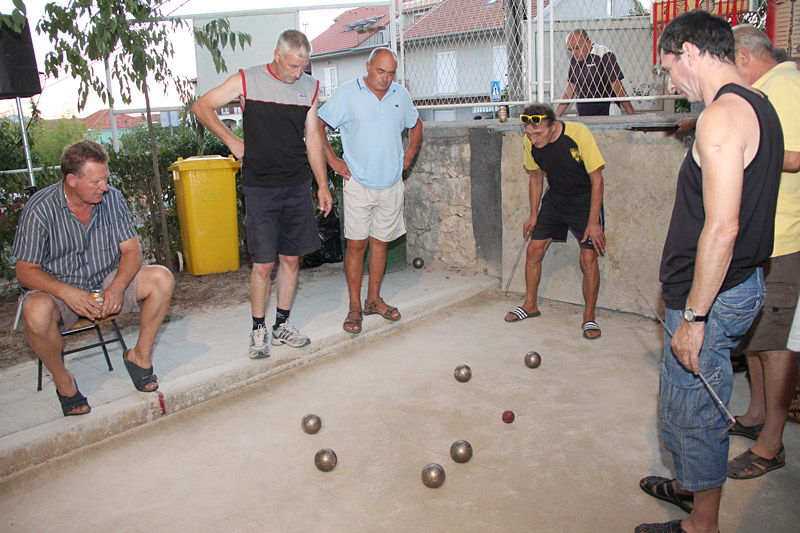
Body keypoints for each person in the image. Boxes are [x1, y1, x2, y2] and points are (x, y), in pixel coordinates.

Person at [636, 11, 783, 533]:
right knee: (681, 398)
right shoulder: (758, 104)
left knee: (696, 410)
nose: (670, 79)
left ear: (691, 51)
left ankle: (702, 523)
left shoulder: (721, 118)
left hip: (713, 299)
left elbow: (722, 229)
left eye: (669, 65)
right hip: (737, 285)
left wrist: (695, 316)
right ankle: (686, 487)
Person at [192, 29, 332, 359]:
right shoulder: (247, 80)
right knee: (263, 264)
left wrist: (322, 185)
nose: (297, 73)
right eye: (292, 66)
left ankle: (281, 325)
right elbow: (201, 106)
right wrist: (232, 141)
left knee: (291, 259)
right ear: (276, 55)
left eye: (303, 67)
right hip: (260, 187)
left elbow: (312, 138)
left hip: (296, 185)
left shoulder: (308, 88)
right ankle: (258, 330)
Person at [11, 140, 175, 416]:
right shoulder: (40, 208)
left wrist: (116, 287)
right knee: (35, 310)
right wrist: (68, 293)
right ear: (71, 179)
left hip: (105, 281)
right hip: (60, 290)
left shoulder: (112, 199)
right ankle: (65, 383)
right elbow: (25, 271)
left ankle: (140, 358)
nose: (105, 186)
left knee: (161, 277)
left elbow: (132, 251)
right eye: (96, 181)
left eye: (105, 178)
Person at [721, 24, 800, 480]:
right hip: (764, 237)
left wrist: (737, 148)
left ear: (745, 58)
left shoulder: (785, 86)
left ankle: (772, 444)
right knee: (755, 332)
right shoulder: (768, 89)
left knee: (774, 342)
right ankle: (754, 416)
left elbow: (793, 154)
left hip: (786, 239)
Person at [317, 48, 422, 335]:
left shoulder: (400, 95)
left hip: (391, 184)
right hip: (358, 184)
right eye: (380, 71)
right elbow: (318, 123)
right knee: (356, 245)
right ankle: (354, 305)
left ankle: (373, 300)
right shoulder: (347, 94)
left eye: (390, 73)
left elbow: (416, 124)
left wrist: (410, 151)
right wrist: (334, 161)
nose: (385, 78)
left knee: (381, 243)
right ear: (368, 66)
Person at [504, 103, 606, 340]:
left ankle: (589, 316)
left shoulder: (578, 133)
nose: (533, 139)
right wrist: (533, 214)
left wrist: (593, 222)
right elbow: (536, 177)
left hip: (585, 200)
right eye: (529, 134)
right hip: (556, 198)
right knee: (533, 250)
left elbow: (597, 179)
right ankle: (530, 305)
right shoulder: (530, 143)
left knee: (588, 257)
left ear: (552, 126)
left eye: (538, 134)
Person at [555, 29, 635, 117]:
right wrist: (554, 117)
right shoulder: (574, 60)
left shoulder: (603, 54)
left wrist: (631, 114)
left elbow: (617, 85)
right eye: (570, 50)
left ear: (588, 44)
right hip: (584, 116)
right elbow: (570, 89)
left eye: (577, 48)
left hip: (607, 114)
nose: (574, 53)